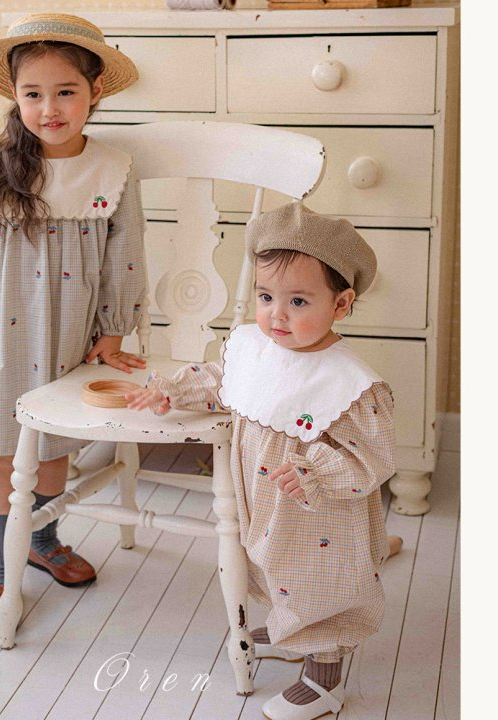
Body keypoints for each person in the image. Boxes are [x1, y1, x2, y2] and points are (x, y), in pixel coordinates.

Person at [126, 202, 398, 720]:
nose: (277, 314)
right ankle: (289, 628)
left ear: (341, 304)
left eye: (298, 301)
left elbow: (373, 453)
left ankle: (324, 678)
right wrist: (173, 391)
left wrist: (317, 470)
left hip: (317, 515)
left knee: (317, 580)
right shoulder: (253, 346)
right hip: (262, 505)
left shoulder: (348, 381)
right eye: (266, 296)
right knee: (269, 567)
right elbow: (224, 384)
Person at [0, 13, 147, 636]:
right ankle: (3, 569)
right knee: (8, 451)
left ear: (94, 92)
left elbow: (125, 253)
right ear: (15, 95)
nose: (49, 109)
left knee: (53, 452)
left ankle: (42, 540)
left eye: (65, 92)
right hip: (6, 334)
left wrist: (113, 329)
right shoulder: (0, 168)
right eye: (33, 94)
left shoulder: (113, 169)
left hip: (72, 338)